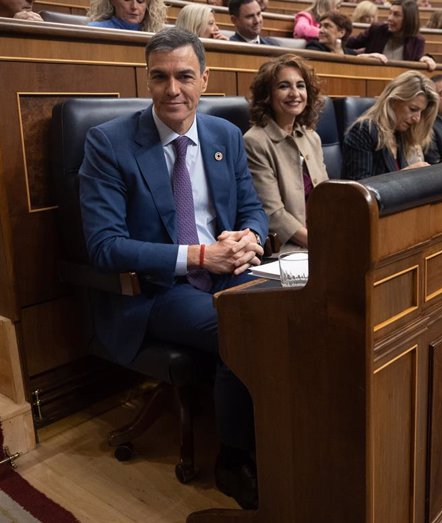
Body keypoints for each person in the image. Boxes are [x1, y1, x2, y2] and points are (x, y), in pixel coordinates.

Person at [78, 28, 268, 509]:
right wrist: (200, 256)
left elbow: (253, 208)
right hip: (156, 290)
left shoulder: (225, 134)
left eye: (185, 76)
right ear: (148, 80)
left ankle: (283, 436)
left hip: (228, 271)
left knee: (298, 309)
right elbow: (105, 247)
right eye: (160, 77)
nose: (172, 90)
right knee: (244, 330)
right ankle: (234, 459)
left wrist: (251, 238)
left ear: (205, 79)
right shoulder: (108, 143)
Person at [244, 55, 328, 251]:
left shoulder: (311, 137)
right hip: (291, 247)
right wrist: (322, 244)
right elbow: (273, 214)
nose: (295, 93)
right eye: (284, 86)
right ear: (267, 95)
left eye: (300, 85)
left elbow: (327, 196)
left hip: (324, 235)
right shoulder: (255, 141)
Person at [342, 70, 439, 180]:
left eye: (421, 112)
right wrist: (405, 175)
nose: (417, 119)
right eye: (413, 109)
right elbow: (360, 188)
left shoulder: (400, 134)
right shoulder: (363, 131)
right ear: (394, 100)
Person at [345, 0, 437, 70]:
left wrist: (426, 59)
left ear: (408, 19)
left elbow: (416, 69)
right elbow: (346, 44)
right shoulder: (377, 29)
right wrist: (363, 56)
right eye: (390, 13)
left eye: (396, 15)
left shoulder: (417, 40)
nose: (389, 18)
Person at [87, 0, 166, 31]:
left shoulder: (157, 35)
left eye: (140, 1)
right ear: (113, 1)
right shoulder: (94, 30)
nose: (134, 7)